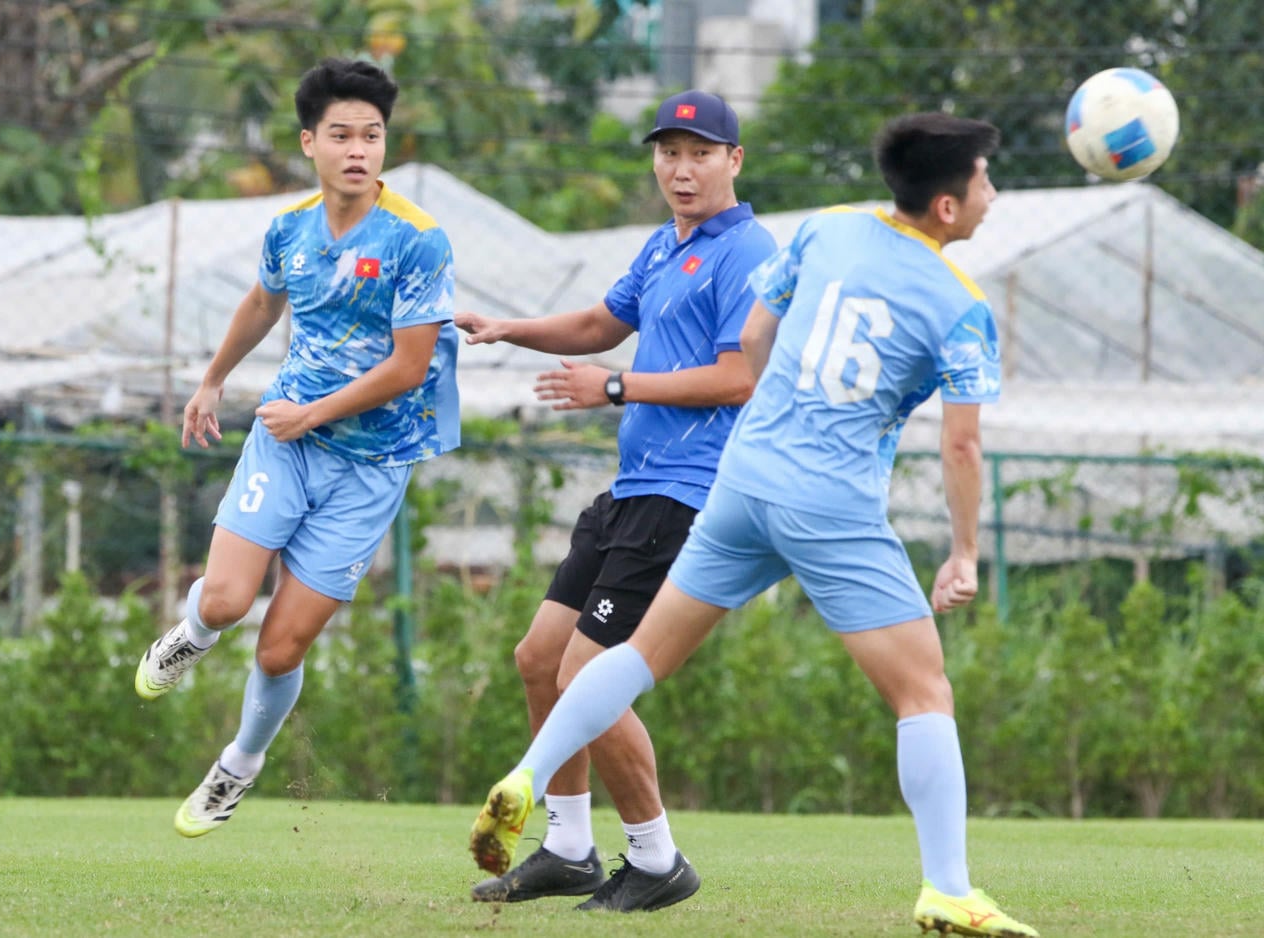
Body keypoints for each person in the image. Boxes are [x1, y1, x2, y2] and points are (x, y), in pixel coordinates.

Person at [468, 112, 1041, 936]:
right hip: (830, 502)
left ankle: (526, 774)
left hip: (742, 480)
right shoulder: (961, 305)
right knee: (923, 692)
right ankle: (948, 887)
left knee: (636, 657)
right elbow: (962, 443)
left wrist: (782, 413)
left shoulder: (827, 228)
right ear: (948, 206)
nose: (991, 192)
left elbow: (754, 336)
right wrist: (964, 551)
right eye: (985, 178)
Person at [456, 90, 776, 911]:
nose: (681, 167)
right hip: (631, 491)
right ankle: (567, 847)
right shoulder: (665, 247)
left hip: (684, 494)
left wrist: (616, 387)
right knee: (539, 661)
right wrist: (508, 328)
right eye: (669, 152)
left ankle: (657, 858)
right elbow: (602, 321)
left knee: (586, 676)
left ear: (733, 161)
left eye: (700, 152)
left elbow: (739, 377)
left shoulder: (748, 251)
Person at [133, 57, 459, 838]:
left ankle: (237, 767)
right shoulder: (289, 229)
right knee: (222, 600)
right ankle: (194, 636)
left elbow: (409, 367)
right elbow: (261, 300)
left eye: (372, 136)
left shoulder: (418, 240)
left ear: (386, 145)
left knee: (280, 651)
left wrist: (311, 414)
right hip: (287, 445)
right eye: (341, 135)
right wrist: (212, 380)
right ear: (309, 143)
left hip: (372, 466)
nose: (358, 149)